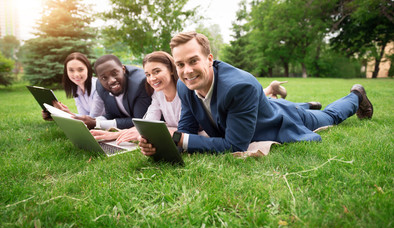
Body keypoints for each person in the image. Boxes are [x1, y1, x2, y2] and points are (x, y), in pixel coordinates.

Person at [138, 31, 373, 155]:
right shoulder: (183, 85)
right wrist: (162, 146)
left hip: (283, 120)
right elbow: (187, 130)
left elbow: (235, 146)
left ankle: (356, 96)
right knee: (290, 106)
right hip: (259, 108)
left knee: (330, 117)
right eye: (180, 64)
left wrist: (179, 140)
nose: (187, 71)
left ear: (209, 59)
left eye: (193, 61)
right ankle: (307, 103)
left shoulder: (241, 86)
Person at [90, 51, 320, 144]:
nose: (151, 78)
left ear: (172, 70)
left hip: (261, 112)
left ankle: (275, 92)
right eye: (148, 74)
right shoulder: (158, 96)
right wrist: (118, 135)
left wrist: (175, 136)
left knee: (270, 103)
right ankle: (302, 102)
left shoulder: (188, 90)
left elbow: (205, 129)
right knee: (273, 103)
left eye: (157, 72)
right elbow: (149, 121)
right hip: (259, 108)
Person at [74, 54, 152, 130]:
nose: (111, 81)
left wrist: (97, 124)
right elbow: (113, 114)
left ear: (123, 69)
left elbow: (140, 122)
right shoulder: (100, 86)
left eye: (114, 73)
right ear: (99, 79)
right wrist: (94, 120)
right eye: (104, 78)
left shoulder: (139, 84)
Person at [42, 52, 105, 120]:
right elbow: (83, 115)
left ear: (88, 69)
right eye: (71, 70)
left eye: (80, 69)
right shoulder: (76, 88)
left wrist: (67, 114)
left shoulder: (98, 87)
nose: (76, 75)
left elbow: (92, 119)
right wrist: (57, 114)